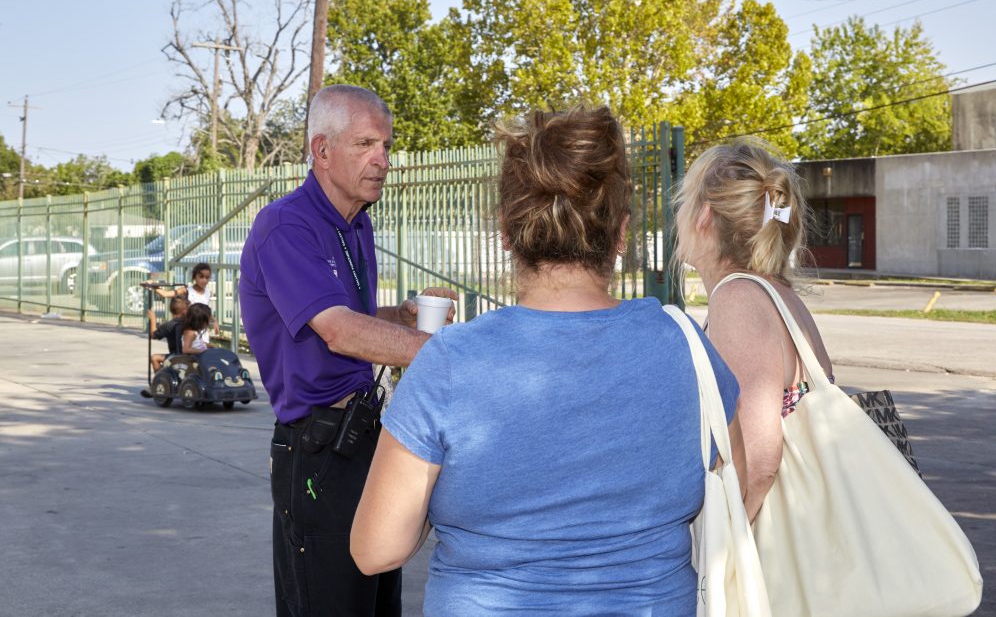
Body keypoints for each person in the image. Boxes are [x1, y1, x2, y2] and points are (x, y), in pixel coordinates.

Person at [350, 106, 745, 616]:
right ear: (621, 234)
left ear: (506, 232)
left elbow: (375, 550)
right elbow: (735, 471)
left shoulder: (450, 361)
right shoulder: (686, 345)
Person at [238, 84, 456, 617]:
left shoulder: (356, 223)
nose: (382, 160)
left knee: (377, 597)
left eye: (385, 146)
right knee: (330, 602)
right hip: (316, 448)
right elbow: (338, 332)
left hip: (362, 438)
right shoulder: (287, 225)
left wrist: (401, 318)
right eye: (365, 145)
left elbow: (347, 318)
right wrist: (445, 354)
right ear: (322, 150)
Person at [672, 137, 834, 522]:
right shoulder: (775, 293)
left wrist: (727, 556)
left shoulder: (738, 298)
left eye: (683, 202)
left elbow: (758, 465)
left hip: (771, 545)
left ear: (704, 216)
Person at [147, 296, 188, 370]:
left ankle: (161, 379)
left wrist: (153, 319)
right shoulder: (191, 323)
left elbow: (153, 335)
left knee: (154, 358)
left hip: (176, 356)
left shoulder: (168, 325)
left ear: (171, 310)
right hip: (191, 355)